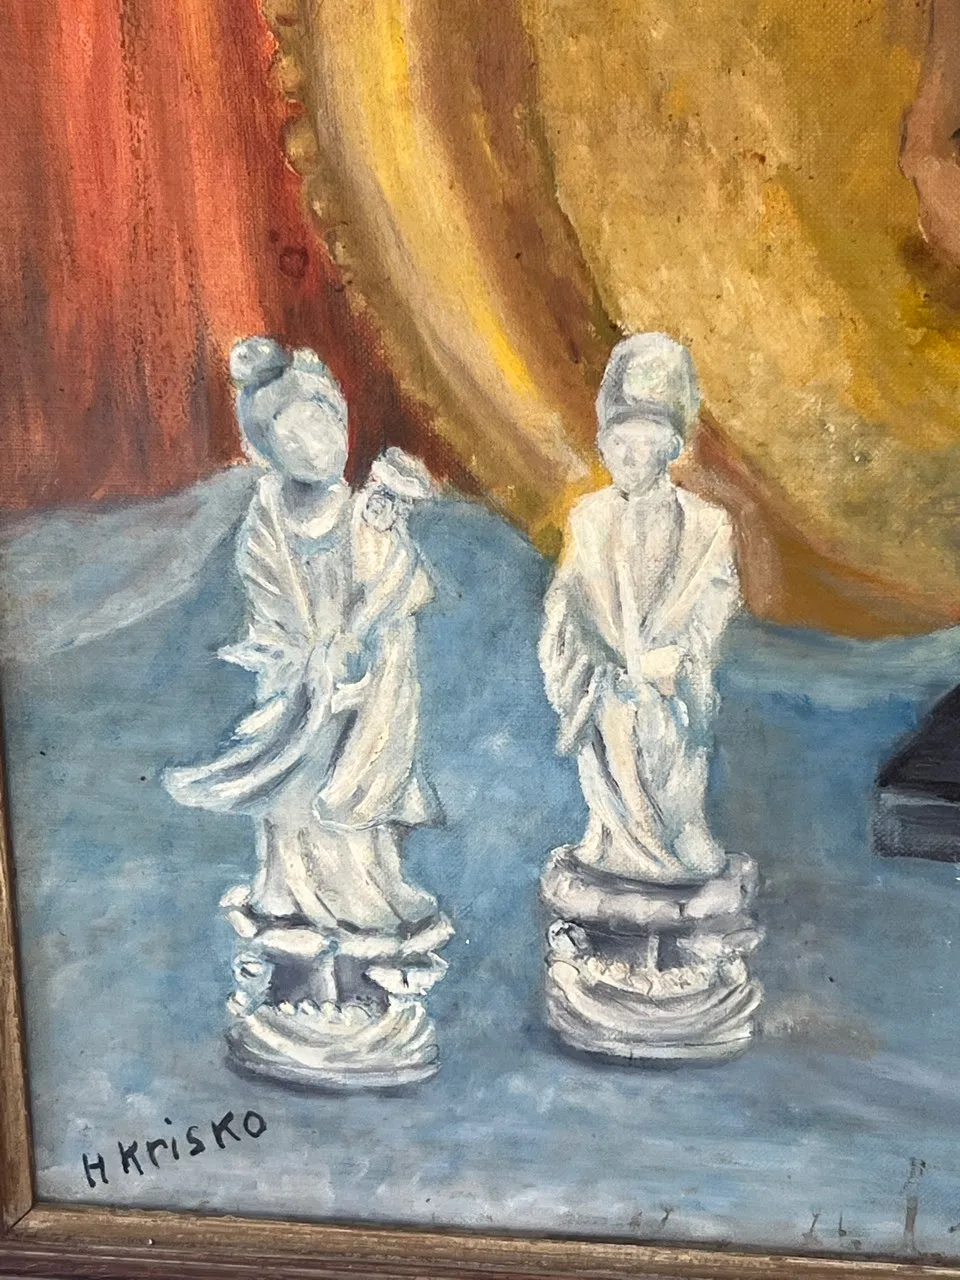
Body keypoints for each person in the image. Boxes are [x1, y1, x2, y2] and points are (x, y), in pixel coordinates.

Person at [539, 332, 740, 885]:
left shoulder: (708, 527)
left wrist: (678, 660)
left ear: (671, 446)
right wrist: (596, 667)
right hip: (607, 687)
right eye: (616, 440)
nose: (626, 454)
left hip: (675, 690)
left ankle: (677, 832)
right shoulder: (588, 520)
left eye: (642, 439)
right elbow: (564, 611)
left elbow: (713, 609)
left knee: (669, 741)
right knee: (616, 715)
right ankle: (618, 841)